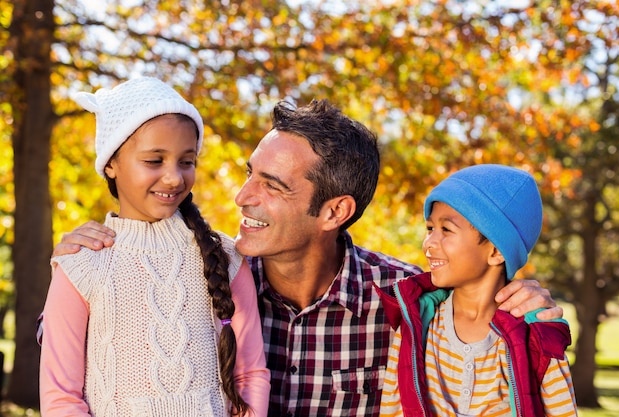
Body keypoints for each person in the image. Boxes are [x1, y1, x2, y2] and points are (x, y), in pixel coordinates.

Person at [48, 99, 563, 416]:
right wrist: (78, 264)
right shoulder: (207, 275)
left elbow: (485, 332)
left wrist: (523, 299)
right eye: (249, 173)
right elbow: (101, 346)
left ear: (334, 211)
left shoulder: (409, 305)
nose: (241, 196)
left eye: (270, 185)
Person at [39, 77, 270, 416]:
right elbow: (61, 397)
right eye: (154, 160)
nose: (174, 177)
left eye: (186, 161)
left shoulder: (226, 257)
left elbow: (250, 374)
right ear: (111, 164)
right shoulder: (81, 264)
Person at [377, 164, 576, 416]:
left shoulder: (536, 339)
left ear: (495, 251)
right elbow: (393, 409)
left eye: (446, 230)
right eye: (430, 229)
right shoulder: (416, 321)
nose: (428, 243)